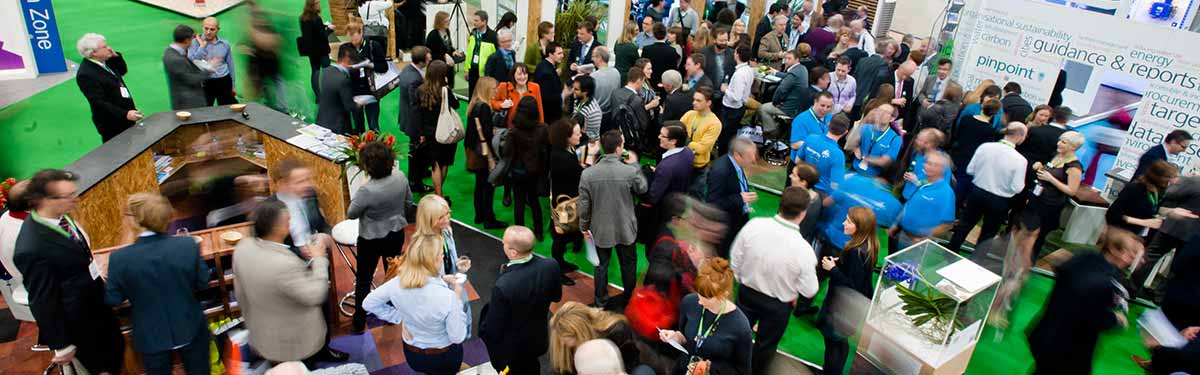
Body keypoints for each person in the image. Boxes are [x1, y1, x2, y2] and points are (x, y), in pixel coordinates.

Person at [14, 170, 124, 374]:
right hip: (80, 325)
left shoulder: (62, 218)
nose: (76, 199)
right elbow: (42, 299)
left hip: (98, 307)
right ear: (44, 200)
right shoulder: (31, 247)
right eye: (68, 196)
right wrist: (61, 343)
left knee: (114, 358)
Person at [104, 193, 209, 375]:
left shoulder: (119, 259)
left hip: (150, 335)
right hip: (190, 326)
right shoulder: (187, 245)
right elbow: (203, 282)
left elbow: (113, 299)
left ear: (135, 221)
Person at [234, 200, 340, 364]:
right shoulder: (284, 264)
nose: (290, 225)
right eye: (288, 221)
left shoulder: (243, 247)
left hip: (261, 334)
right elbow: (316, 294)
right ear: (278, 228)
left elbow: (240, 294)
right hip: (293, 342)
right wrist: (319, 259)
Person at [1027, 229, 1144, 374]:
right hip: (1068, 351)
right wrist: (1116, 319)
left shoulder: (1086, 256)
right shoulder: (1105, 282)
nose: (1136, 258)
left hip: (1045, 334)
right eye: (1132, 252)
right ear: (1115, 250)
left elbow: (1061, 268)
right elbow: (1095, 316)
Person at [730, 187, 819, 375]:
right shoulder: (804, 250)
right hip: (778, 305)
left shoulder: (754, 226)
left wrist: (741, 279)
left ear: (780, 205)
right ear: (803, 213)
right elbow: (810, 290)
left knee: (736, 335)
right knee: (765, 348)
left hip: (747, 293)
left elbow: (735, 258)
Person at [363, 234, 467, 375]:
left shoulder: (397, 283)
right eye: (441, 255)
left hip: (413, 356)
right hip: (444, 357)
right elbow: (457, 337)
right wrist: (458, 296)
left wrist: (399, 317)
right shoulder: (448, 297)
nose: (443, 258)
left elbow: (368, 303)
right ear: (433, 261)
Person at [346, 142, 412, 332]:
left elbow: (351, 213)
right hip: (396, 232)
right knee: (392, 273)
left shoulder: (366, 190)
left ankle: (359, 321)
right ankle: (392, 311)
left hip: (371, 238)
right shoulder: (400, 177)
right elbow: (408, 203)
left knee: (364, 278)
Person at [580, 130, 649, 307]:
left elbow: (585, 206)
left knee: (600, 266)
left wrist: (584, 226)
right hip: (626, 227)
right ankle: (628, 298)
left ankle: (600, 301)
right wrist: (635, 165)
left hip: (600, 228)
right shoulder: (629, 171)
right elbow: (642, 189)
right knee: (628, 263)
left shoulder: (588, 174)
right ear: (619, 148)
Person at [481, 226, 563, 374]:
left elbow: (493, 329)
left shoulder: (504, 285)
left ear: (513, 252)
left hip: (513, 352)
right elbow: (557, 297)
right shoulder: (551, 265)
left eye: (504, 242)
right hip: (538, 339)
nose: (502, 244)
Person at [658, 258, 752, 375]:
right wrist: (675, 337)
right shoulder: (689, 302)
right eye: (699, 294)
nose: (700, 302)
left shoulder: (740, 327)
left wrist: (709, 369)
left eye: (706, 297)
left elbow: (742, 371)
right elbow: (684, 336)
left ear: (724, 294)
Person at [947, 123, 1028, 253]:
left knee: (964, 224)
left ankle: (951, 250)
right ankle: (976, 262)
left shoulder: (985, 147)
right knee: (988, 233)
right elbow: (1017, 188)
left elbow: (970, 170)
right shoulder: (1020, 160)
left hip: (977, 193)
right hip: (999, 201)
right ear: (1020, 136)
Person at [819, 206, 879, 375]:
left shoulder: (855, 251)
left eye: (849, 221)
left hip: (840, 310)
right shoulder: (868, 246)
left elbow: (852, 286)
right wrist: (841, 262)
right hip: (850, 313)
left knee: (833, 349)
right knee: (839, 345)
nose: (844, 223)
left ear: (859, 227)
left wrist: (832, 269)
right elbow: (861, 278)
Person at [550, 302, 649, 375]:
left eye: (565, 337)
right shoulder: (560, 337)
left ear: (581, 332)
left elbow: (631, 361)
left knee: (643, 371)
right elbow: (562, 368)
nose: (562, 342)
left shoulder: (617, 331)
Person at [75, 33, 141, 142]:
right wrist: (125, 114)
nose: (109, 48)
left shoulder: (107, 59)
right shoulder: (85, 74)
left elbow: (122, 70)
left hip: (126, 115)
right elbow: (99, 102)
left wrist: (116, 57)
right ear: (94, 53)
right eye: (104, 47)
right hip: (111, 123)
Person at [641, 123, 696, 245]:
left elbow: (653, 197)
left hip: (662, 211)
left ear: (673, 141)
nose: (659, 137)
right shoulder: (688, 152)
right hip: (678, 204)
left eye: (663, 135)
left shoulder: (666, 167)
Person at [503, 97, 550, 239]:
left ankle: (520, 235)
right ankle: (539, 232)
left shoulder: (514, 130)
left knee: (519, 203)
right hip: (535, 171)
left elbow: (506, 152)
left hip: (518, 171)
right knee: (534, 201)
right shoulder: (543, 129)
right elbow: (546, 151)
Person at [705, 138, 759, 258]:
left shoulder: (736, 166)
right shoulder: (721, 171)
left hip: (737, 219)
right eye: (750, 156)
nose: (754, 160)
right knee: (720, 256)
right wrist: (739, 199)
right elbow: (712, 203)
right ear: (737, 155)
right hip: (725, 225)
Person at [890, 151, 956, 249]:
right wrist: (896, 223)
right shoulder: (923, 183)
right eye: (928, 163)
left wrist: (924, 239)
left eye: (935, 165)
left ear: (943, 169)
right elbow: (909, 205)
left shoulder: (945, 193)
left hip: (917, 242)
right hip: (903, 234)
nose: (929, 166)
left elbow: (947, 224)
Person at [548, 119, 586, 285]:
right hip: (564, 207)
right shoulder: (562, 157)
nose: (580, 135)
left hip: (567, 202)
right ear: (566, 137)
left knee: (563, 234)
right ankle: (556, 270)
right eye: (577, 133)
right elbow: (578, 176)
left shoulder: (566, 150)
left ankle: (561, 264)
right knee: (560, 236)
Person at [465, 77, 505, 229]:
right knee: (488, 185)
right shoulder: (484, 108)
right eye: (494, 88)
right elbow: (487, 134)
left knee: (479, 184)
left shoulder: (474, 104)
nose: (496, 91)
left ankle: (479, 215)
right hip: (483, 152)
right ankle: (489, 219)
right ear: (486, 88)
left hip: (474, 151)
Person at [269, 159, 332, 255]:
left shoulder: (310, 195)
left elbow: (320, 224)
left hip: (317, 253)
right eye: (300, 182)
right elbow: (270, 250)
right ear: (283, 184)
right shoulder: (270, 210)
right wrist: (300, 252)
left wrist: (327, 236)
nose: (307, 185)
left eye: (308, 179)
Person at [1107, 160, 1180, 240]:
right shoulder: (1134, 189)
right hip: (1120, 233)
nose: (1171, 183)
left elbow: (1154, 208)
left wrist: (1171, 212)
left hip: (1137, 235)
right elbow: (1112, 214)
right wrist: (1144, 222)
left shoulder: (1157, 191)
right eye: (1168, 179)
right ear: (1157, 177)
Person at [416, 60, 458, 197]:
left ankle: (438, 195)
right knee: (444, 163)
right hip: (445, 131)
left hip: (429, 132)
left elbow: (419, 114)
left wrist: (421, 133)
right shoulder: (445, 91)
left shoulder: (421, 90)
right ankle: (438, 194)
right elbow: (456, 105)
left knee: (435, 165)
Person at [948, 99, 1002, 204]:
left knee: (950, 179)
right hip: (971, 160)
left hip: (957, 154)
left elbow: (958, 135)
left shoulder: (966, 119)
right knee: (961, 186)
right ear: (995, 113)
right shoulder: (989, 130)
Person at [398, 46, 433, 194]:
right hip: (414, 123)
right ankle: (415, 182)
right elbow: (415, 107)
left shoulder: (407, 71)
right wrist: (420, 132)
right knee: (416, 153)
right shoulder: (415, 79)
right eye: (428, 56)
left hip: (407, 118)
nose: (430, 58)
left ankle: (421, 173)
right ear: (422, 60)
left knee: (417, 152)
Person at [347, 21, 388, 133]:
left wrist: (370, 65)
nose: (354, 43)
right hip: (355, 91)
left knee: (373, 125)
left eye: (356, 39)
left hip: (371, 90)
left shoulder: (373, 46)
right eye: (351, 40)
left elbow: (384, 67)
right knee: (358, 126)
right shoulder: (346, 49)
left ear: (361, 33)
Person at [758, 50, 811, 137]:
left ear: (797, 59)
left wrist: (775, 102)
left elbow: (781, 90)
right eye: (785, 58)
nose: (786, 61)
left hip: (790, 108)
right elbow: (787, 76)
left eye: (789, 58)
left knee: (763, 108)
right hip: (798, 105)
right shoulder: (802, 69)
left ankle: (772, 132)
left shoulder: (794, 73)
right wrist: (775, 72)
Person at [188, 17, 236, 106]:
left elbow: (230, 64)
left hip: (224, 80)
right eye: (206, 28)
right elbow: (190, 62)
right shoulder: (194, 43)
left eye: (212, 29)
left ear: (218, 29)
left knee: (226, 110)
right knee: (204, 111)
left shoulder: (225, 44)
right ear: (202, 27)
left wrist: (233, 85)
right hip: (204, 82)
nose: (208, 32)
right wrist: (202, 46)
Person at [316, 44, 362, 135]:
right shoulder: (343, 80)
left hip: (321, 122)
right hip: (338, 128)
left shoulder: (324, 71)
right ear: (347, 60)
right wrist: (359, 104)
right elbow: (349, 106)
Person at [164, 25, 212, 110]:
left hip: (186, 103)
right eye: (192, 39)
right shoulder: (176, 59)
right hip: (188, 105)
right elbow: (191, 79)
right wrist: (208, 70)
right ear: (187, 40)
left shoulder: (171, 52)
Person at [717, 45, 754, 152]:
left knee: (725, 137)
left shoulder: (739, 74)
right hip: (739, 108)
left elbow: (736, 97)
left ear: (737, 55)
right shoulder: (749, 70)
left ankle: (723, 156)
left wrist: (725, 89)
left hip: (731, 110)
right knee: (731, 135)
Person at [897, 128, 950, 199]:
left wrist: (917, 182)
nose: (917, 142)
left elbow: (940, 187)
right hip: (907, 196)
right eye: (918, 139)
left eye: (921, 140)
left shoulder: (941, 162)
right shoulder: (919, 153)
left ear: (930, 144)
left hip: (921, 200)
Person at [682, 87, 723, 170]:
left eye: (698, 101)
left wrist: (684, 142)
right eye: (694, 99)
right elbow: (675, 132)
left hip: (697, 166)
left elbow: (701, 148)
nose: (694, 103)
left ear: (708, 103)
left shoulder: (714, 123)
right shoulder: (689, 114)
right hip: (681, 160)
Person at [492, 63, 545, 127]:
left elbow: (540, 109)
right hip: (510, 128)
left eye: (525, 74)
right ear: (513, 75)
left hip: (530, 127)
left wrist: (541, 126)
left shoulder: (535, 87)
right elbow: (493, 102)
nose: (522, 77)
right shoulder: (504, 86)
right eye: (519, 74)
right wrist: (501, 105)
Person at [789, 92, 836, 165]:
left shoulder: (830, 117)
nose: (825, 109)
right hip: (801, 164)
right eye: (822, 105)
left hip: (819, 164)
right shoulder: (801, 119)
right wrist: (818, 145)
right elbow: (794, 144)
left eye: (828, 107)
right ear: (815, 102)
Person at [299, 0, 331, 98]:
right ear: (314, 5)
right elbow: (322, 36)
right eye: (317, 3)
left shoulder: (302, 18)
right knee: (327, 72)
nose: (319, 5)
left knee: (315, 71)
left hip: (311, 51)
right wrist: (329, 29)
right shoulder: (317, 19)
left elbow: (310, 32)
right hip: (322, 50)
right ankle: (329, 94)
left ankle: (318, 96)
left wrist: (322, 26)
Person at [850, 39, 890, 117]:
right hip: (866, 100)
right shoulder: (883, 65)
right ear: (885, 52)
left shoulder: (863, 60)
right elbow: (878, 84)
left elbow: (855, 76)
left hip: (853, 94)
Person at [465, 10, 498, 96]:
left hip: (485, 73)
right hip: (472, 70)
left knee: (484, 95)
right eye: (474, 20)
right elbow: (469, 53)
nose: (474, 22)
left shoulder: (493, 36)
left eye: (476, 21)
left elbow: (496, 57)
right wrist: (466, 69)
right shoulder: (473, 33)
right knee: (472, 95)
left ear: (484, 22)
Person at [643, 23, 682, 90]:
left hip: (649, 84)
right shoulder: (672, 51)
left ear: (653, 34)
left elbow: (642, 68)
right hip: (666, 85)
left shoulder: (647, 49)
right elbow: (673, 70)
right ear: (665, 34)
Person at [535, 41, 567, 122]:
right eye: (559, 54)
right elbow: (546, 98)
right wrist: (563, 95)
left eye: (562, 53)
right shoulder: (547, 73)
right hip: (549, 116)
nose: (562, 56)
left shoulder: (543, 65)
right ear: (550, 54)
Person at [570, 76, 604, 141]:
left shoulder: (594, 112)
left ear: (585, 92)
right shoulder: (577, 100)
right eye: (573, 87)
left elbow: (592, 137)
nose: (572, 91)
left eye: (576, 89)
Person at [590, 46, 621, 112]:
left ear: (599, 58)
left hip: (596, 114)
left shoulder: (593, 76)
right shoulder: (616, 72)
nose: (592, 59)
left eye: (593, 56)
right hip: (612, 113)